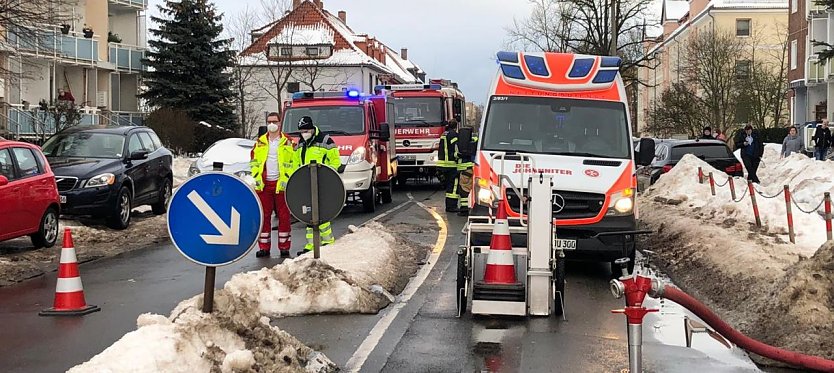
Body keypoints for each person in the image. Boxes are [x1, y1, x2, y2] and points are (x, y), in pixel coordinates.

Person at [293, 115, 344, 255]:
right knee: (308, 213)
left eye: (306, 131)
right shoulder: (300, 144)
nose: (304, 133)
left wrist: (327, 176)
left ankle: (328, 241)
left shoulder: (325, 141)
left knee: (322, 212)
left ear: (312, 128)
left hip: (322, 183)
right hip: (306, 183)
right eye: (302, 131)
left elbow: (335, 162)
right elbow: (296, 163)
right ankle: (311, 244)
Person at [250, 112, 296, 258]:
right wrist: (256, 177)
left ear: (279, 123)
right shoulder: (260, 142)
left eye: (274, 121)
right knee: (264, 216)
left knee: (284, 216)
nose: (271, 124)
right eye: (269, 121)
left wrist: (287, 178)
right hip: (264, 185)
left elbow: (294, 162)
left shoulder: (288, 142)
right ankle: (264, 247)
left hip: (281, 184)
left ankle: (284, 247)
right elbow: (254, 162)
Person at [456, 119, 478, 216]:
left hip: (464, 169)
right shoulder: (476, 139)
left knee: (464, 190)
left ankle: (464, 209)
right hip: (474, 168)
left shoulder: (460, 142)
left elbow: (457, 154)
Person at [438, 117, 460, 212]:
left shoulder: (444, 134)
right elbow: (455, 149)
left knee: (448, 187)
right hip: (451, 165)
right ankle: (452, 206)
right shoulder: (454, 135)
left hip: (442, 165)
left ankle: (448, 206)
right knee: (453, 187)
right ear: (456, 126)